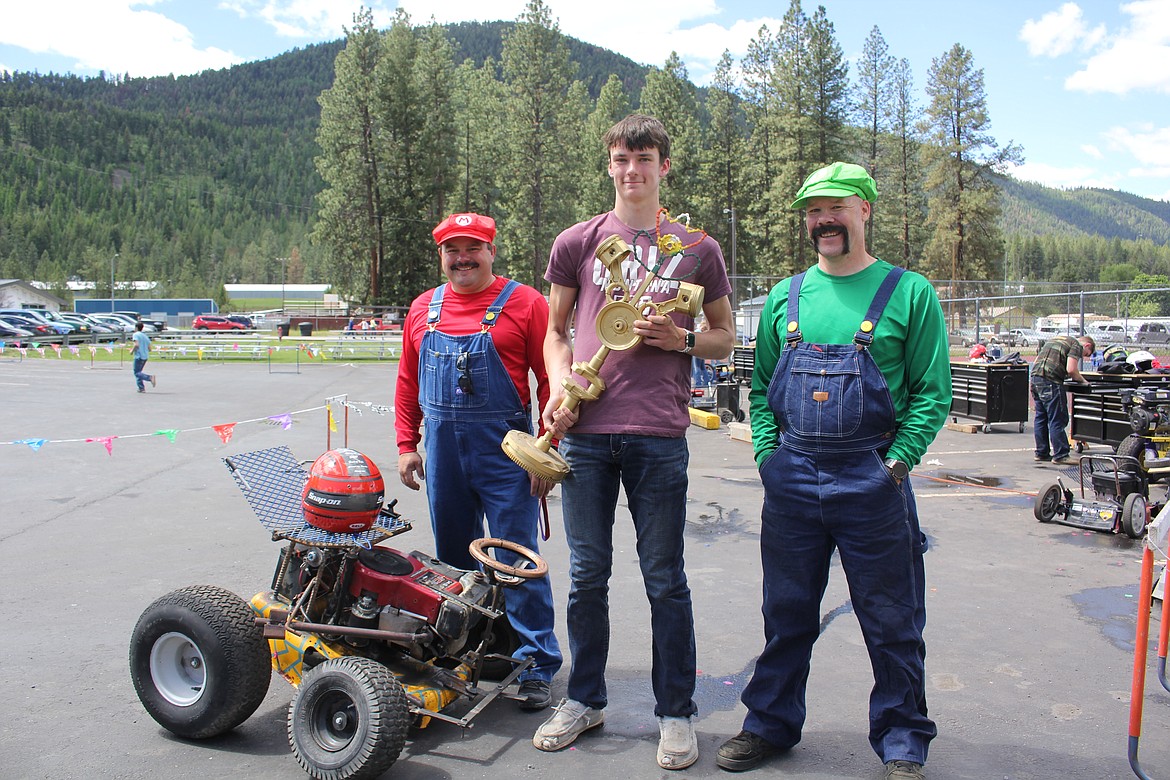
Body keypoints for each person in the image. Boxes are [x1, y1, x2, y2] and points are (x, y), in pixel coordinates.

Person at [716, 162, 951, 780]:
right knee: (786, 612)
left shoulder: (908, 292)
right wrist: (768, 458)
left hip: (873, 479)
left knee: (892, 619)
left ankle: (903, 742)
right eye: (814, 209)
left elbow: (932, 393)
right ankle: (769, 723)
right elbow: (762, 388)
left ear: (865, 210)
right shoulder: (784, 298)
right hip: (792, 476)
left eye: (836, 206)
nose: (824, 219)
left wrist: (897, 464)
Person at [533, 114, 735, 771]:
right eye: (621, 159)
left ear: (663, 167)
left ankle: (675, 715)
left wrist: (681, 341)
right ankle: (585, 700)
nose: (631, 170)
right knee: (587, 576)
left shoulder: (696, 248)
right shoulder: (578, 242)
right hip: (587, 436)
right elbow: (556, 331)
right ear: (610, 166)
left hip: (658, 434)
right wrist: (562, 388)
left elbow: (724, 337)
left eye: (643, 159)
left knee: (665, 579)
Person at [394, 212, 562, 711]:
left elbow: (551, 381)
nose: (463, 258)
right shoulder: (423, 309)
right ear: (441, 255)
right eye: (452, 250)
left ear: (491, 250)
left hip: (508, 454)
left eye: (473, 248)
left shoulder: (525, 303)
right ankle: (467, 654)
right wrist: (407, 445)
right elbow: (408, 383)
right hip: (445, 455)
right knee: (451, 563)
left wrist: (544, 451)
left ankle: (535, 662)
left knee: (514, 560)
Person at [1030, 332, 1094, 465]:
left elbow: (1037, 361)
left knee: (1041, 417)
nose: (1083, 357)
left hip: (1035, 378)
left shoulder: (1056, 338)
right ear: (1087, 345)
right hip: (1050, 381)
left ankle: (1041, 453)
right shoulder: (1076, 344)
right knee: (1057, 418)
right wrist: (1084, 382)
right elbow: (1071, 369)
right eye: (1086, 354)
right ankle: (1061, 455)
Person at [131, 321, 157, 393]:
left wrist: (132, 351)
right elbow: (150, 349)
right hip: (145, 356)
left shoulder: (136, 334)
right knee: (139, 372)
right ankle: (141, 388)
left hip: (139, 356)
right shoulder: (145, 336)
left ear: (136, 328)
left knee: (137, 373)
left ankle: (150, 378)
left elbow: (136, 345)